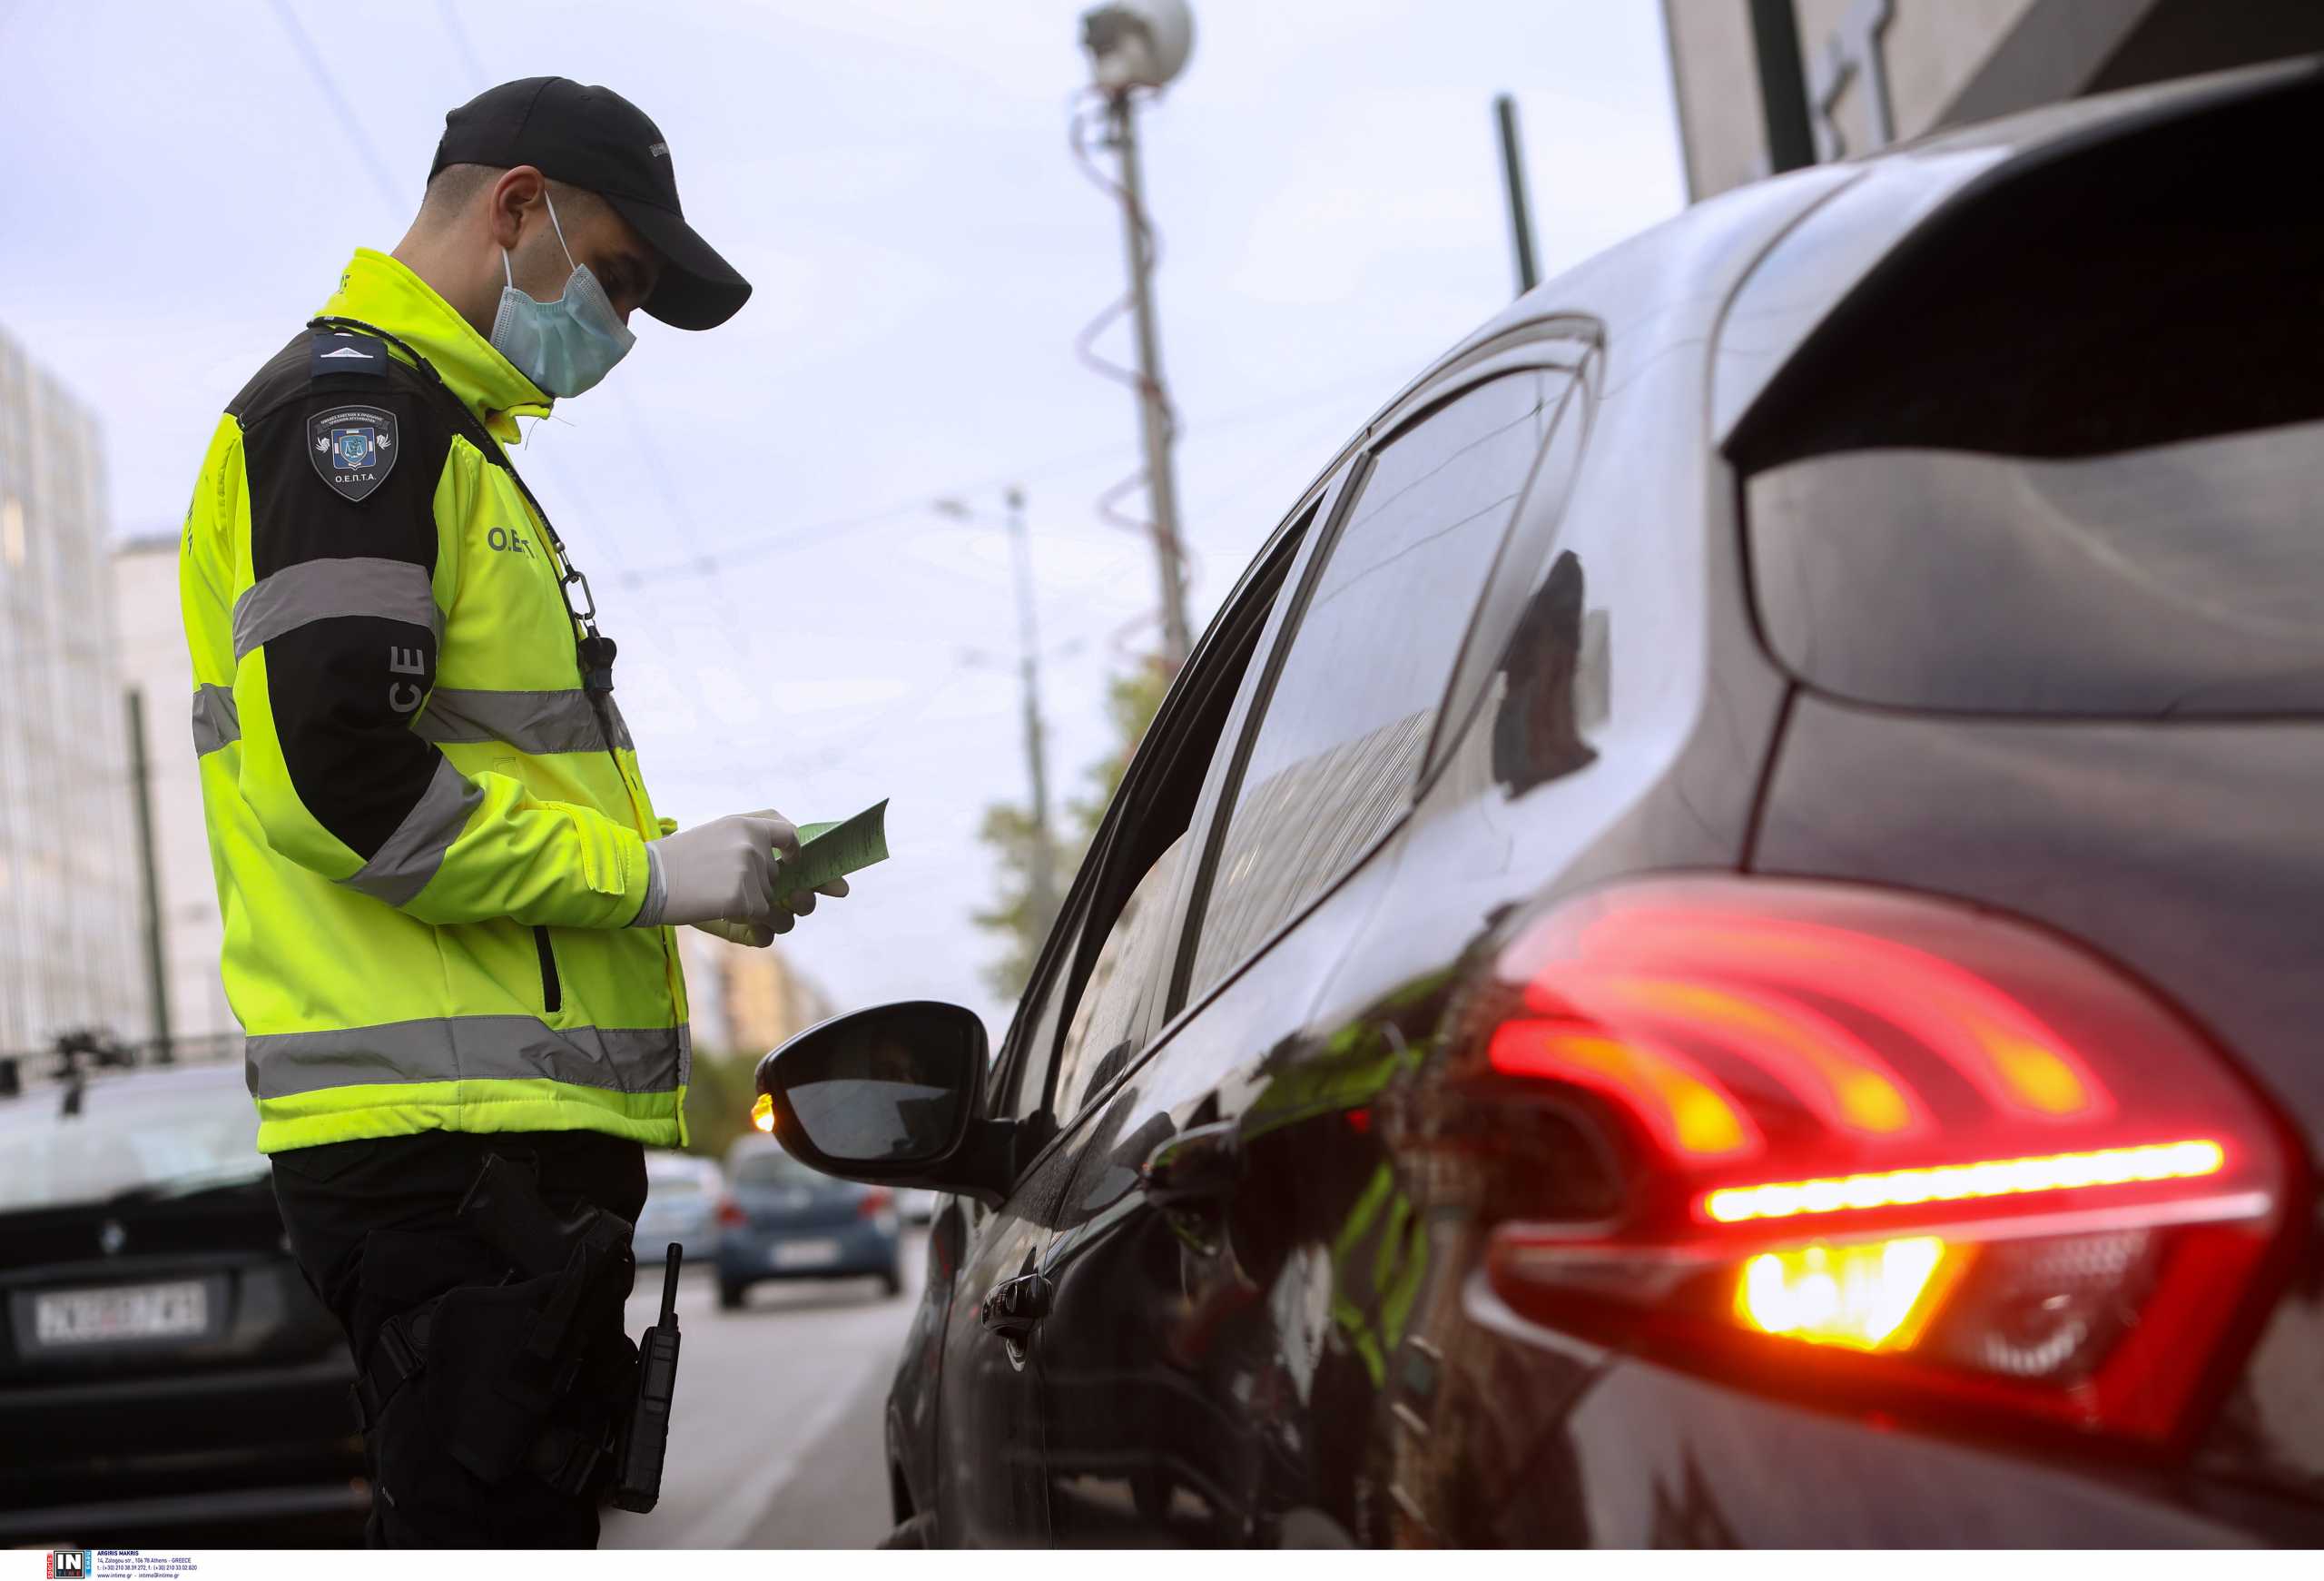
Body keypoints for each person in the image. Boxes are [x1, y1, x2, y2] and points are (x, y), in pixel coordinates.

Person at [177, 77, 844, 1547]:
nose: (616, 324)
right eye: (614, 277)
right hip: (445, 1153)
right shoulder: (352, 424)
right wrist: (647, 878)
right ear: (518, 206)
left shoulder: (443, 438)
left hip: (483, 1151)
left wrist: (679, 879)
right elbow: (340, 779)